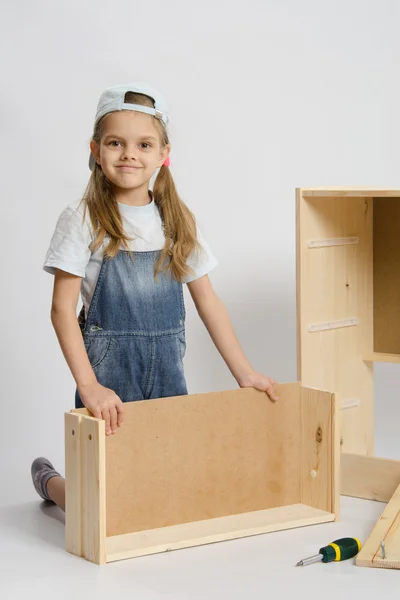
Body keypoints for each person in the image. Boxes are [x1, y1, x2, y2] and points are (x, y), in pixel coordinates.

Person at [31, 83, 279, 511]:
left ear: (164, 154)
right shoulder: (83, 217)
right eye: (115, 143)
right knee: (102, 506)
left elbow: (208, 302)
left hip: (167, 376)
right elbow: (61, 311)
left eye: (143, 144)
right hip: (110, 377)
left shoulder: (177, 220)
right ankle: (54, 485)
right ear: (95, 149)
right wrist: (89, 387)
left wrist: (245, 372)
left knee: (167, 490)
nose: (129, 154)